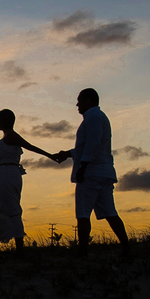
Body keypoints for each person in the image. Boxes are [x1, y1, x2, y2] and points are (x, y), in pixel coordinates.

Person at [54, 88, 131, 256]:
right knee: (110, 212)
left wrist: (83, 167)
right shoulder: (96, 117)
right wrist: (67, 154)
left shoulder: (94, 118)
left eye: (80, 101)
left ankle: (82, 252)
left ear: (88, 101)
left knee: (83, 214)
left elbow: (92, 144)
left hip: (91, 173)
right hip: (102, 172)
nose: (77, 105)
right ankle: (127, 247)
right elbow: (86, 146)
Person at [0, 109, 65, 252]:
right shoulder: (8, 136)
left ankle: (18, 247)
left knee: (10, 206)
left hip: (8, 174)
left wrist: (50, 156)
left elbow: (30, 146)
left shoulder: (11, 135)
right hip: (3, 172)